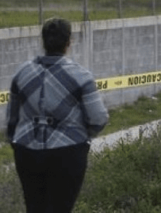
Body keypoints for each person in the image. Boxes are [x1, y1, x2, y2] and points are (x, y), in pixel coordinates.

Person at [6, 18, 109, 213]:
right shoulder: (81, 76)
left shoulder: (21, 73)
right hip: (68, 152)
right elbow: (98, 118)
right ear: (69, 42)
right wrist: (84, 136)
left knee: (34, 207)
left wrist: (15, 140)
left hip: (27, 151)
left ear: (43, 41)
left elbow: (12, 117)